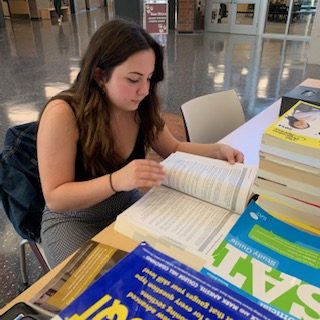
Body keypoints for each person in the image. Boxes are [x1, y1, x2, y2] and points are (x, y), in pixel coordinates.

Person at [37, 19, 244, 268]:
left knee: (170, 266)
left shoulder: (139, 107)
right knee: (95, 291)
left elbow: (174, 148)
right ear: (100, 75)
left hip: (127, 206)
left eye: (149, 78)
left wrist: (216, 150)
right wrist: (117, 180)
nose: (144, 90)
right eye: (133, 79)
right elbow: (56, 198)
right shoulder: (63, 113)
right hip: (74, 219)